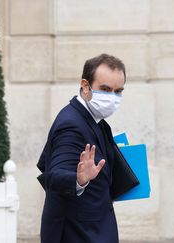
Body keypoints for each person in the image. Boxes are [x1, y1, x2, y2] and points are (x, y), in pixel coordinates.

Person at [37, 53, 126, 243]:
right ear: (85, 86)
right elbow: (54, 174)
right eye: (105, 89)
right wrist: (79, 180)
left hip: (93, 227)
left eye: (118, 91)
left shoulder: (91, 119)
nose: (112, 97)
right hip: (79, 233)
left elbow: (45, 161)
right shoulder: (72, 125)